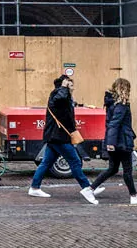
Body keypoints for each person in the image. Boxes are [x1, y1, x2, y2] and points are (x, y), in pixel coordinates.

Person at [28, 73, 99, 203]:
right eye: (70, 85)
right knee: (75, 161)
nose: (72, 87)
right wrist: (64, 88)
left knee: (46, 162)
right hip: (58, 136)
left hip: (55, 136)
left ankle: (34, 187)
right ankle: (87, 188)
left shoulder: (62, 96)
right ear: (63, 85)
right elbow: (60, 100)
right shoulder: (58, 95)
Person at [90, 78, 137, 204]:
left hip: (116, 141)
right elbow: (115, 124)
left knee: (112, 169)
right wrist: (111, 143)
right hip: (121, 142)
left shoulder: (111, 104)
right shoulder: (121, 105)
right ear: (124, 89)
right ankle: (134, 196)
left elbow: (113, 124)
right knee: (127, 170)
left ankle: (90, 188)